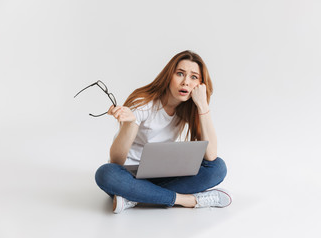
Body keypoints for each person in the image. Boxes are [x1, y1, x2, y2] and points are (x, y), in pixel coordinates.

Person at [95, 50, 232, 214]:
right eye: (180, 74)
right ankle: (188, 200)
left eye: (194, 77)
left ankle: (135, 197)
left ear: (200, 84)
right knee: (106, 174)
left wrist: (203, 105)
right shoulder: (143, 102)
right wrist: (130, 124)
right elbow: (116, 161)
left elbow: (210, 156)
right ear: (169, 76)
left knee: (218, 167)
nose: (186, 82)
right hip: (129, 174)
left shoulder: (188, 108)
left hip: (161, 173)